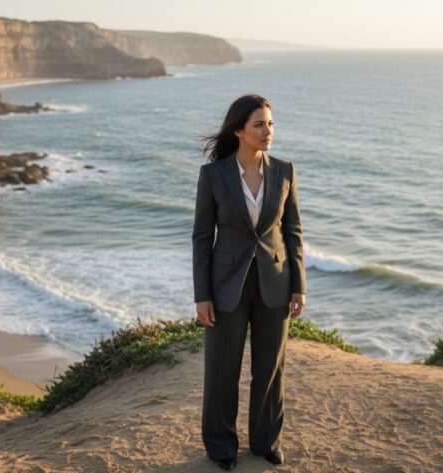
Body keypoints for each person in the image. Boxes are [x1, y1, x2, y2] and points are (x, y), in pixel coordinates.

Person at [192, 93, 307, 470]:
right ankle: (221, 445)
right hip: (227, 285)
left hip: (275, 281)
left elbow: (293, 232)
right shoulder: (214, 175)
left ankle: (266, 441)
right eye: (259, 124)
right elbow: (201, 238)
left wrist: (299, 285)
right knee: (223, 370)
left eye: (270, 124)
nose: (267, 131)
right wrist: (203, 295)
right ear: (239, 130)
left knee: (270, 369)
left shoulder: (285, 171)